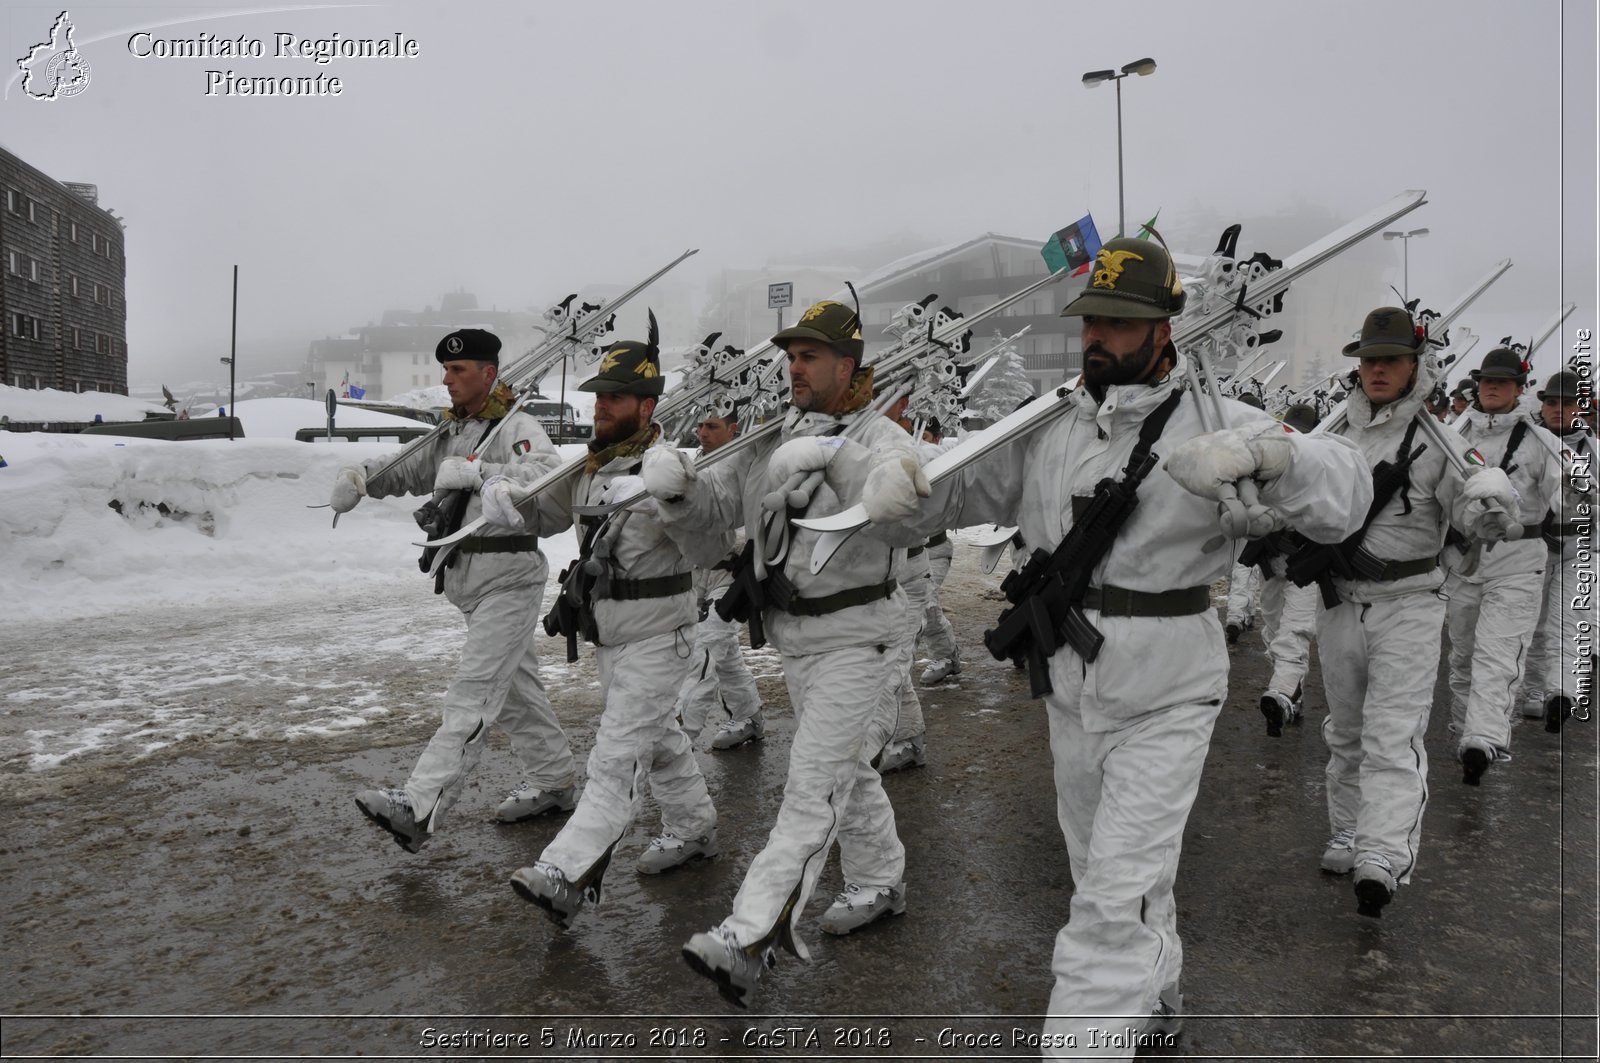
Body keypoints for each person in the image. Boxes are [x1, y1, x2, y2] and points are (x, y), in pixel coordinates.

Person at [884, 238, 1373, 1055]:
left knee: (1111, 898)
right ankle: (1158, 1001)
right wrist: (904, 485)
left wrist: (1270, 457)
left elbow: (1346, 490)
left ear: (1163, 328)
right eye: (1093, 320)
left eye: (1121, 321)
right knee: (1111, 873)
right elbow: (957, 488)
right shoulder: (1050, 423)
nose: (1100, 336)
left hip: (1169, 681)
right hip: (1070, 683)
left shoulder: (1219, 420)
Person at [640, 298, 921, 1008]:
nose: (795, 368)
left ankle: (751, 932)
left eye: (810, 357)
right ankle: (882, 876)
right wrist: (680, 494)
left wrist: (846, 460)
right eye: (790, 356)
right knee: (844, 772)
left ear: (847, 365)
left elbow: (914, 504)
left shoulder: (881, 438)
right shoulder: (769, 439)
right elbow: (712, 537)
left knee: (811, 783)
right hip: (798, 641)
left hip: (861, 637)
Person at [494, 323, 721, 926]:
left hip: (661, 636)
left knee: (615, 756)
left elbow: (710, 547)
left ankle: (566, 871)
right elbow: (538, 515)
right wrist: (493, 492)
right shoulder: (589, 468)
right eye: (597, 398)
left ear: (646, 407)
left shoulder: (668, 470)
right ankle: (695, 827)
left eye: (614, 399)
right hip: (609, 635)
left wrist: (675, 496)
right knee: (659, 740)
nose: (600, 409)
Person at [1295, 307, 1518, 917]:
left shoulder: (1442, 441)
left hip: (1410, 603)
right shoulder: (1336, 432)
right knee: (1345, 730)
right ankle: (1346, 830)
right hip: (1340, 602)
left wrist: (1489, 509)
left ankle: (1383, 853)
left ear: (1415, 365)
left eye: (1390, 359)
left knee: (1394, 735)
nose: (1377, 370)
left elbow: (1470, 513)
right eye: (1369, 359)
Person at [336, 328, 578, 852]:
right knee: (515, 695)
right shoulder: (452, 431)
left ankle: (421, 805)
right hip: (470, 580)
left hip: (510, 575)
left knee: (472, 693)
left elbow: (548, 478)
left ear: (489, 374)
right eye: (444, 371)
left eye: (458, 370)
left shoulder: (518, 426)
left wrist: (480, 473)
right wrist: (360, 477)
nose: (447, 380)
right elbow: (410, 467)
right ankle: (555, 780)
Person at [1443, 347, 1564, 783]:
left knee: (1499, 654)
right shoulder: (1452, 434)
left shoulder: (1541, 441)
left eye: (1503, 382)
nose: (1492, 387)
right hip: (1463, 562)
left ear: (1519, 389)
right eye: (1487, 381)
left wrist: (1574, 495)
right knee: (1463, 657)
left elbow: (1568, 495)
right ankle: (1463, 731)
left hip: (1518, 561)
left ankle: (1484, 737)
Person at [675, 413, 766, 750]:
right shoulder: (693, 464)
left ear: (734, 430)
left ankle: (679, 736)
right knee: (724, 656)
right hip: (697, 574)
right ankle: (748, 716)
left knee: (705, 647)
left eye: (711, 426)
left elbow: (755, 514)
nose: (702, 433)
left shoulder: (747, 467)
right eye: (699, 426)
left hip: (732, 575)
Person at [1519, 369, 1597, 727]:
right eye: (1551, 402)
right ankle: (1533, 691)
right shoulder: (1527, 444)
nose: (1558, 410)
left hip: (1578, 547)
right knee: (1532, 623)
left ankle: (1562, 691)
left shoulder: (1594, 450)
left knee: (1569, 622)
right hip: (1534, 545)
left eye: (1566, 403)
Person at [1249, 402, 1323, 735]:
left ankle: (1281, 690)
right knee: (1273, 630)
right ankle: (1291, 692)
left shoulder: (1321, 465)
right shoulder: (1269, 460)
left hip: (1305, 565)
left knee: (1294, 631)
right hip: (1272, 563)